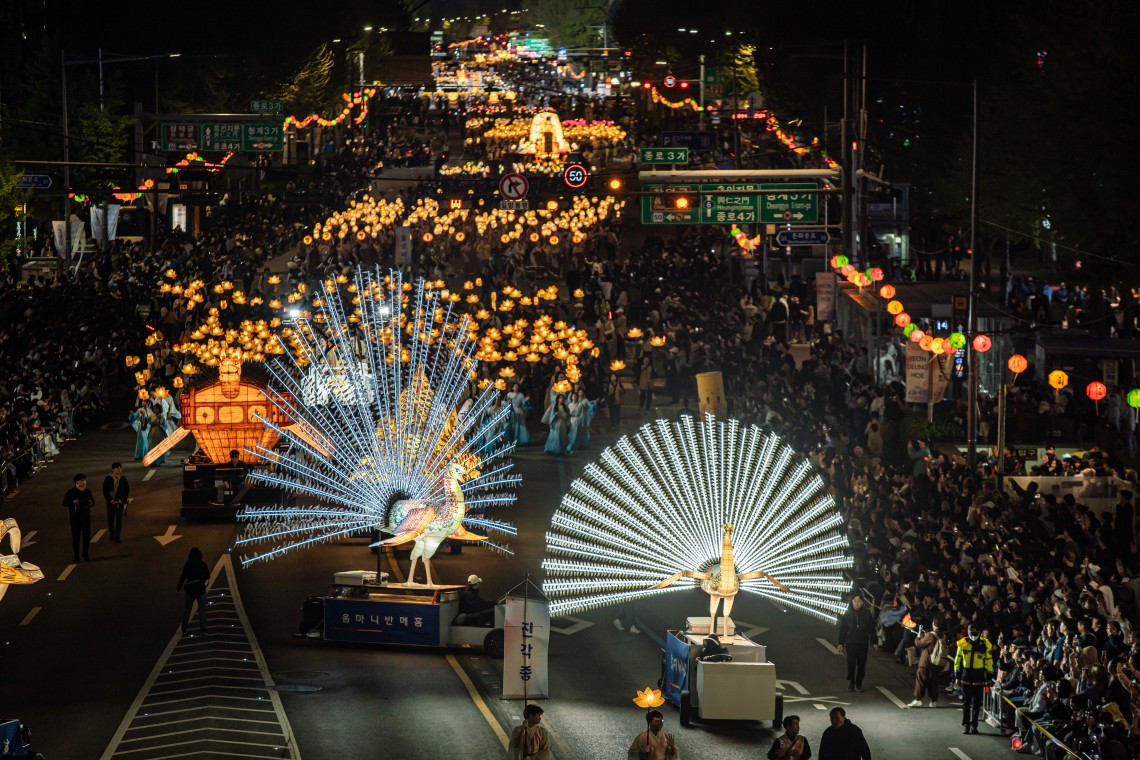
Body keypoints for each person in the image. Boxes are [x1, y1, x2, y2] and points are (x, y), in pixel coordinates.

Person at [953, 623, 994, 734]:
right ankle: (966, 725)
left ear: (979, 633)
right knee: (966, 703)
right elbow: (957, 661)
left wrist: (989, 676)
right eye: (971, 632)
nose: (973, 635)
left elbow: (988, 661)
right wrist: (957, 676)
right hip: (966, 675)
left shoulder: (985, 644)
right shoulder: (963, 643)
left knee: (976, 703)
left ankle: (974, 725)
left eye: (975, 632)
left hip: (979, 676)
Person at [837, 594, 874, 692]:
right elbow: (842, 629)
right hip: (850, 643)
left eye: (859, 601)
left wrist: (875, 642)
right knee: (851, 663)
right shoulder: (847, 614)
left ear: (862, 602)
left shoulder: (867, 614)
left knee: (861, 664)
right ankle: (851, 682)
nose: (857, 603)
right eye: (855, 600)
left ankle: (859, 683)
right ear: (852, 602)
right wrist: (841, 643)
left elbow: (872, 629)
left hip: (863, 642)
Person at [907, 619, 947, 707]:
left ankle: (918, 699)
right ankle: (934, 701)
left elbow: (919, 644)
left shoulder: (931, 635)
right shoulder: (943, 636)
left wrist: (918, 637)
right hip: (936, 662)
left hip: (926, 662)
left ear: (935, 625)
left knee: (920, 680)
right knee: (933, 682)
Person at [176, 546, 210, 636]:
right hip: (200, 590)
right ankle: (203, 629)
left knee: (187, 609)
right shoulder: (203, 564)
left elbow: (183, 577)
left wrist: (178, 587)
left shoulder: (188, 565)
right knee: (202, 609)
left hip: (190, 590)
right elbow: (208, 576)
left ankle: (184, 629)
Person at [62, 473, 95, 562]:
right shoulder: (71, 492)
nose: (83, 481)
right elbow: (64, 502)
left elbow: (93, 501)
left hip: (85, 516)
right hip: (75, 517)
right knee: (76, 537)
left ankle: (85, 553)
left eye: (84, 479)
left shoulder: (87, 491)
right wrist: (73, 502)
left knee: (86, 536)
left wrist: (91, 502)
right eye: (81, 480)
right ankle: (76, 555)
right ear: (76, 482)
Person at [102, 462, 129, 544]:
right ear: (113, 469)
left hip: (120, 503)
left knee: (119, 520)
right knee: (110, 520)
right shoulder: (108, 478)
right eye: (117, 468)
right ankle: (112, 532)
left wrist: (122, 499)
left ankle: (117, 536)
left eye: (120, 468)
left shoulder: (123, 479)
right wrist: (110, 500)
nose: (119, 470)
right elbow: (105, 491)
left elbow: (126, 490)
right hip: (110, 503)